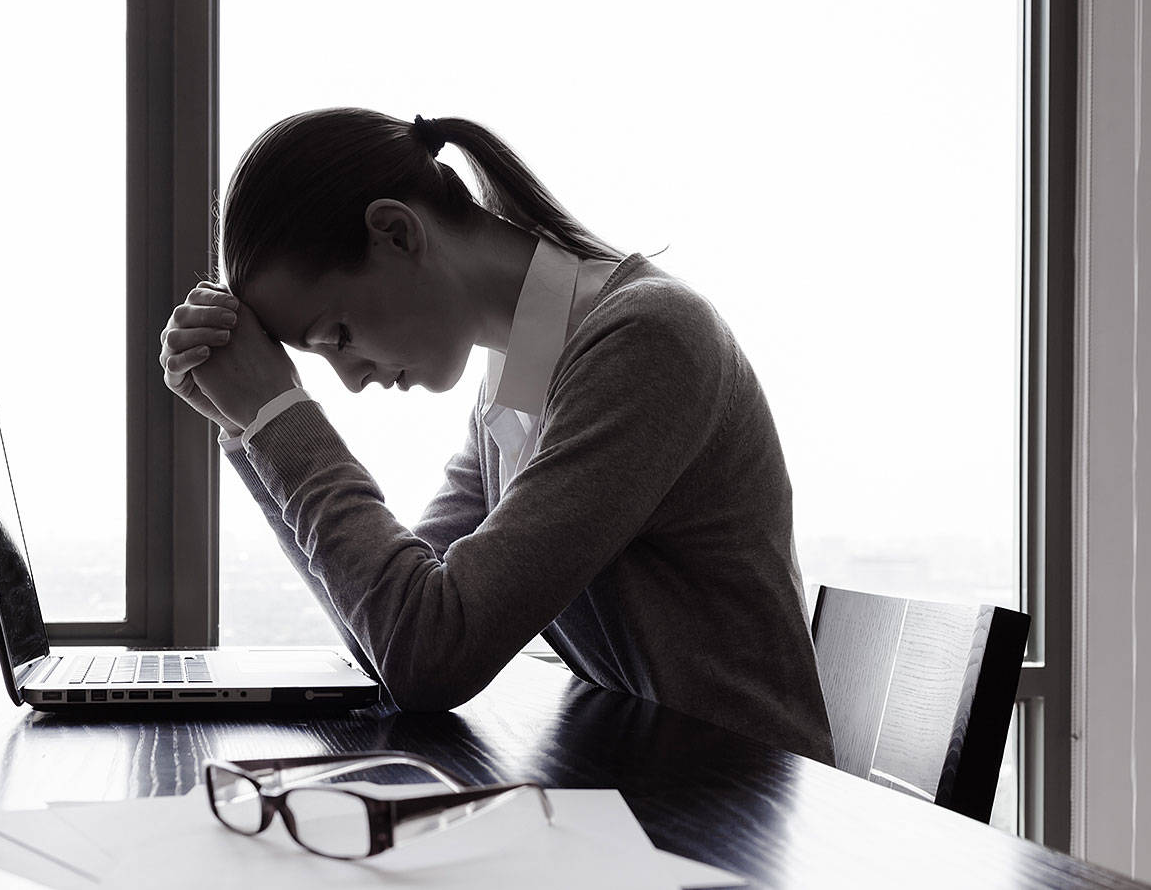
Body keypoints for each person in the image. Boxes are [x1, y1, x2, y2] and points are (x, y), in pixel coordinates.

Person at [158, 107, 834, 764]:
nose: (352, 380)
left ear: (396, 232)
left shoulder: (647, 340)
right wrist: (249, 428)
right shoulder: (516, 377)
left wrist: (282, 419)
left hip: (742, 817)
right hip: (642, 789)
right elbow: (390, 635)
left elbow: (430, 655)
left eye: (337, 336)